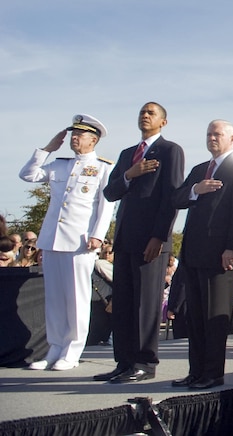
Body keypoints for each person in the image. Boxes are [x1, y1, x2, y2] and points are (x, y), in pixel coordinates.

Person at [96, 102, 184, 384]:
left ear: (163, 122)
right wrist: (129, 174)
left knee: (145, 305)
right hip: (125, 238)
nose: (145, 116)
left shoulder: (170, 150)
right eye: (142, 113)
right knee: (123, 302)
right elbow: (110, 192)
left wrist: (160, 236)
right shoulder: (127, 155)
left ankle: (145, 363)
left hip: (151, 240)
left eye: (151, 113)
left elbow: (171, 195)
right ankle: (124, 362)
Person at [18, 114, 114, 370]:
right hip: (52, 239)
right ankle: (54, 349)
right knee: (56, 299)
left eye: (80, 135)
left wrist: (97, 234)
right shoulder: (59, 164)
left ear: (93, 140)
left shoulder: (103, 167)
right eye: (73, 134)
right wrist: (47, 150)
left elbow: (105, 206)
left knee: (76, 298)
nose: (74, 138)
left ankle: (71, 351)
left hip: (79, 242)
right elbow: (28, 175)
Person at [172, 120, 233, 389]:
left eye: (217, 134)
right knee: (194, 317)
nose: (212, 138)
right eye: (208, 134)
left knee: (213, 318)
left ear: (232, 138)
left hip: (221, 256)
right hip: (194, 254)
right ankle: (196, 371)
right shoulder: (200, 170)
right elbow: (176, 198)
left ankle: (213, 373)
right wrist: (196, 190)